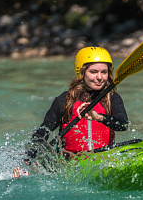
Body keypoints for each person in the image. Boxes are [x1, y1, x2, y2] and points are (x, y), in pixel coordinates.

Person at [12, 46, 129, 178]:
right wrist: (26, 164)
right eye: (93, 72)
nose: (100, 77)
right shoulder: (63, 101)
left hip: (104, 161)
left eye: (104, 72)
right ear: (82, 73)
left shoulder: (112, 98)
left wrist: (99, 117)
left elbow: (123, 124)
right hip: (71, 165)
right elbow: (41, 135)